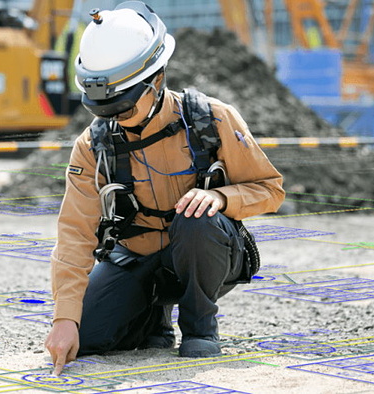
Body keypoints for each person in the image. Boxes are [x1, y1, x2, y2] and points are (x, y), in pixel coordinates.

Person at [44, 1, 285, 376]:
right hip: (136, 258)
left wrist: (221, 197)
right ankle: (153, 318)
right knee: (88, 337)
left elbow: (270, 190)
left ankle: (199, 326)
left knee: (197, 220)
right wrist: (65, 320)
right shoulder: (93, 146)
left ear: (156, 81)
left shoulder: (213, 120)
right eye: (101, 110)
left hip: (203, 250)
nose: (113, 120)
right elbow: (75, 235)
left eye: (122, 108)